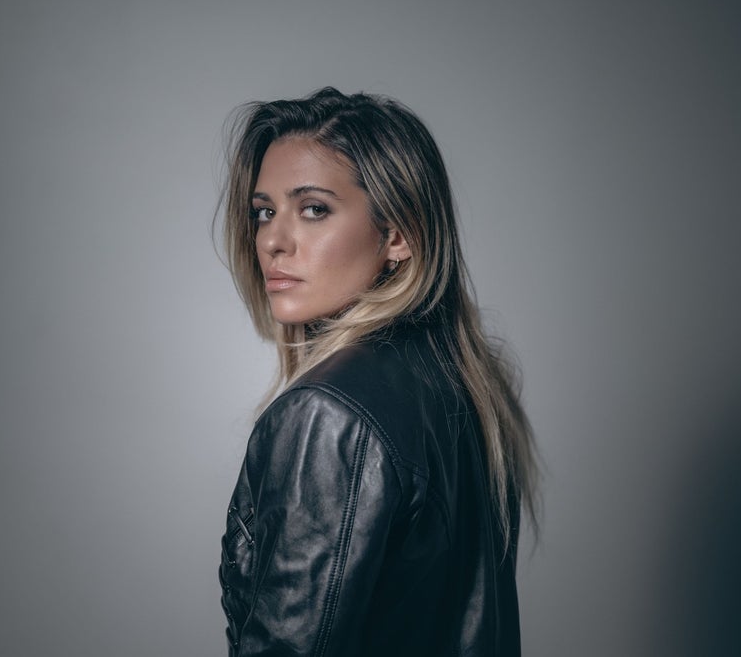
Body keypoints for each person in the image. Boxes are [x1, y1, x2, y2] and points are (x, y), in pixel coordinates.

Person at [217, 87, 538, 656]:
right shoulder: (466, 388)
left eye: (313, 209)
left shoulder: (327, 414)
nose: (271, 240)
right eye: (264, 212)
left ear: (398, 235)